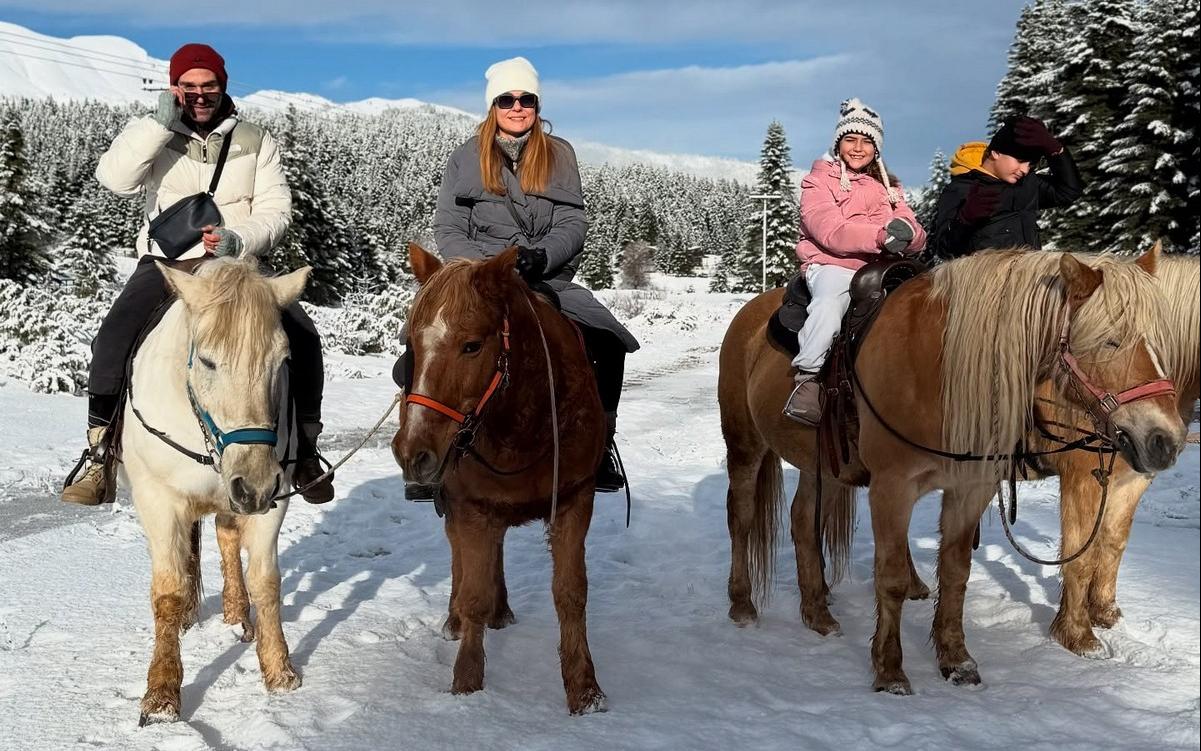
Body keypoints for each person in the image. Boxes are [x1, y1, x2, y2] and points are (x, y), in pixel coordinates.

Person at [62, 43, 335, 505]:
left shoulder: (255, 139)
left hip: (237, 266)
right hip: (168, 266)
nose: (199, 95)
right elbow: (115, 180)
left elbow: (277, 209)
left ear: (222, 86)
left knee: (303, 337)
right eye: (187, 87)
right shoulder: (152, 132)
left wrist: (238, 238)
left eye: (208, 85)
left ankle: (305, 450)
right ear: (174, 89)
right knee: (112, 338)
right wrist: (156, 123)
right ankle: (100, 453)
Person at [430, 56, 639, 492]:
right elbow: (449, 227)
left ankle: (601, 446)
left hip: (546, 280)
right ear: (493, 106)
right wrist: (483, 271)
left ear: (537, 104)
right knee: (422, 352)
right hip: (480, 282)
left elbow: (573, 222)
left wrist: (541, 257)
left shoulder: (559, 154)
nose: (517, 106)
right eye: (507, 99)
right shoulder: (465, 158)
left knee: (607, 340)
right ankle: (432, 453)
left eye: (526, 99)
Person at [784, 98, 926, 426]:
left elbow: (911, 226)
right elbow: (829, 230)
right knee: (829, 305)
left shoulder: (890, 187)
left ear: (877, 148)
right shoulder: (818, 181)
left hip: (882, 268)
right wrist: (882, 237)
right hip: (832, 263)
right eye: (851, 139)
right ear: (838, 143)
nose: (858, 148)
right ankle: (807, 378)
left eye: (867, 141)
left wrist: (910, 234)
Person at [930, 115, 1082, 258]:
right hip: (985, 283)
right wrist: (965, 220)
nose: (1025, 169)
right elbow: (944, 250)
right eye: (1020, 160)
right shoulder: (960, 189)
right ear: (996, 152)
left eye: (1030, 164)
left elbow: (1068, 191)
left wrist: (1055, 150)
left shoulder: (1027, 184)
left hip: (1026, 280)